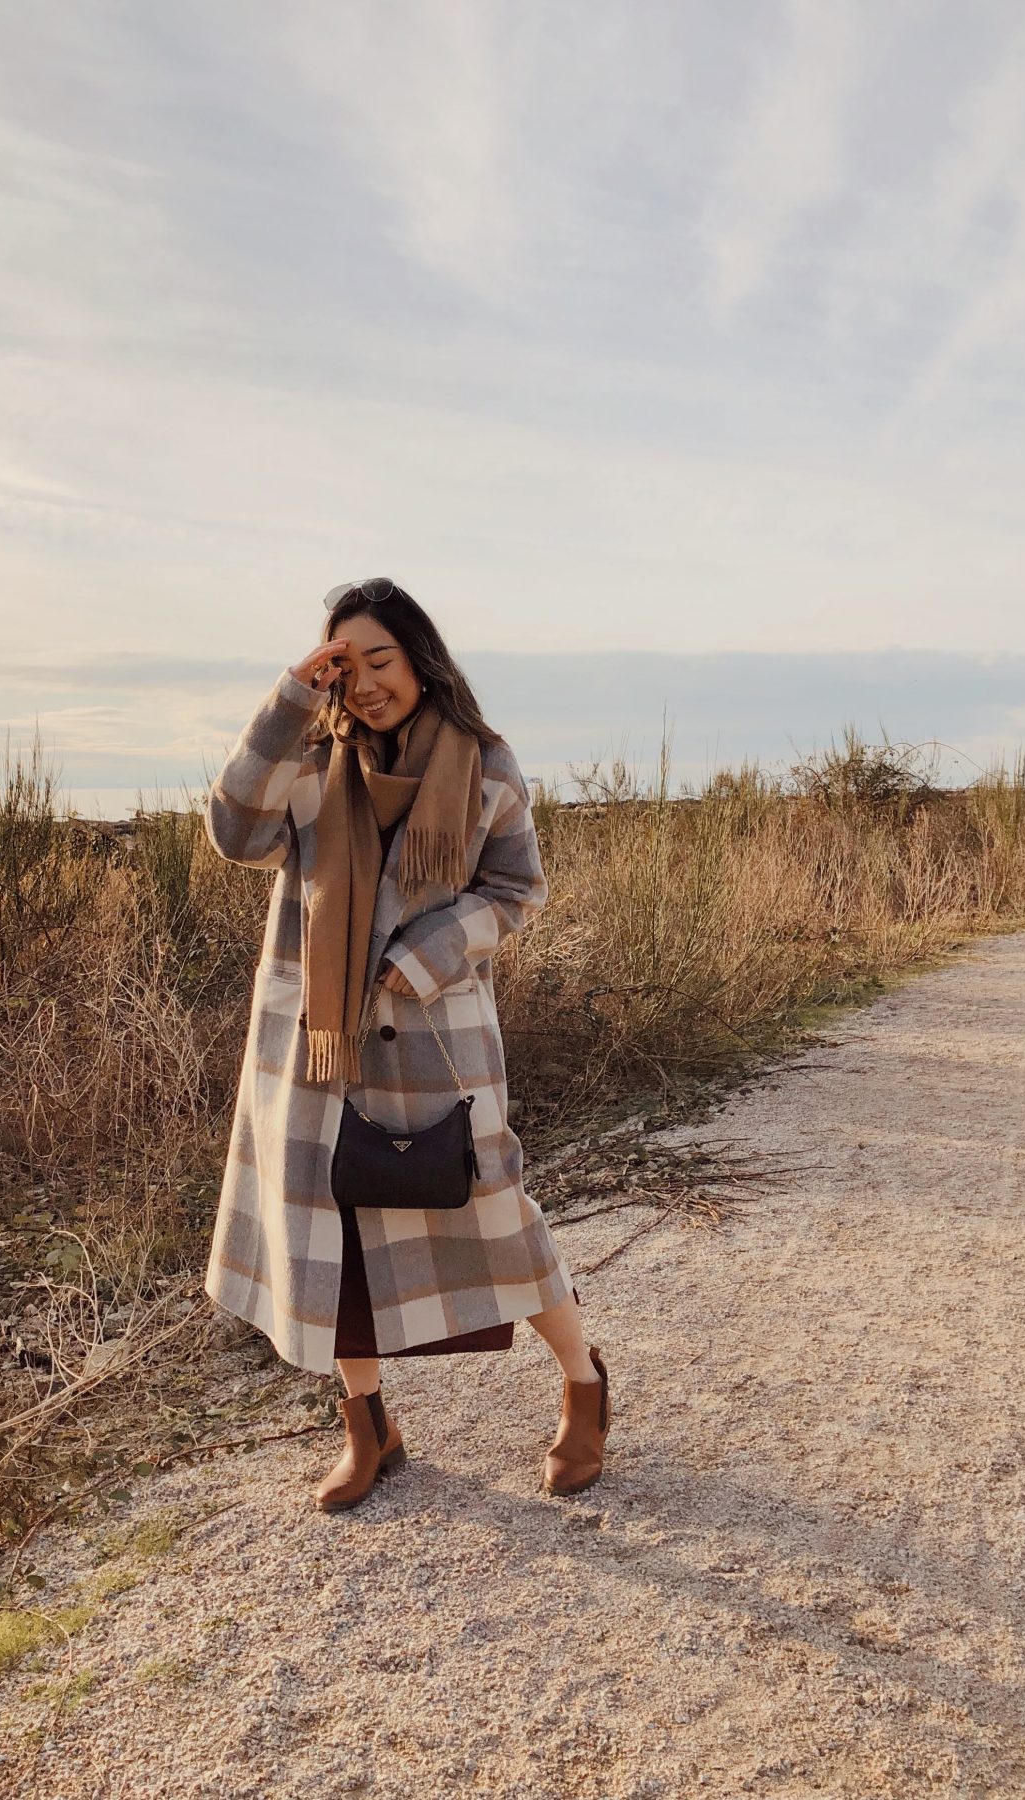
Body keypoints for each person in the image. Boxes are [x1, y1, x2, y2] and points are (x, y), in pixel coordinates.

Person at [202, 577, 612, 1512]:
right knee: (329, 1240)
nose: (365, 684)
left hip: (435, 1035)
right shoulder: (308, 759)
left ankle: (584, 1383)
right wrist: (287, 700)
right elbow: (234, 832)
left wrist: (426, 951)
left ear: (419, 658)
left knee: (498, 1216)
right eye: (345, 667)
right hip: (320, 1047)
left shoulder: (487, 764)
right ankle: (368, 1425)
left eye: (379, 660)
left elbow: (516, 891)